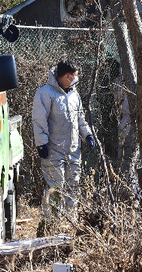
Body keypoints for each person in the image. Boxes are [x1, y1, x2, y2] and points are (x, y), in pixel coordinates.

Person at [32, 60, 95, 236]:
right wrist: (41, 143)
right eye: (75, 76)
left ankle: (69, 228)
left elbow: (80, 119)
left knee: (73, 188)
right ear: (67, 76)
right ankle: (50, 229)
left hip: (74, 151)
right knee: (55, 189)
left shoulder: (74, 95)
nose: (77, 79)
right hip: (53, 151)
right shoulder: (45, 93)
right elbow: (39, 120)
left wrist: (88, 135)